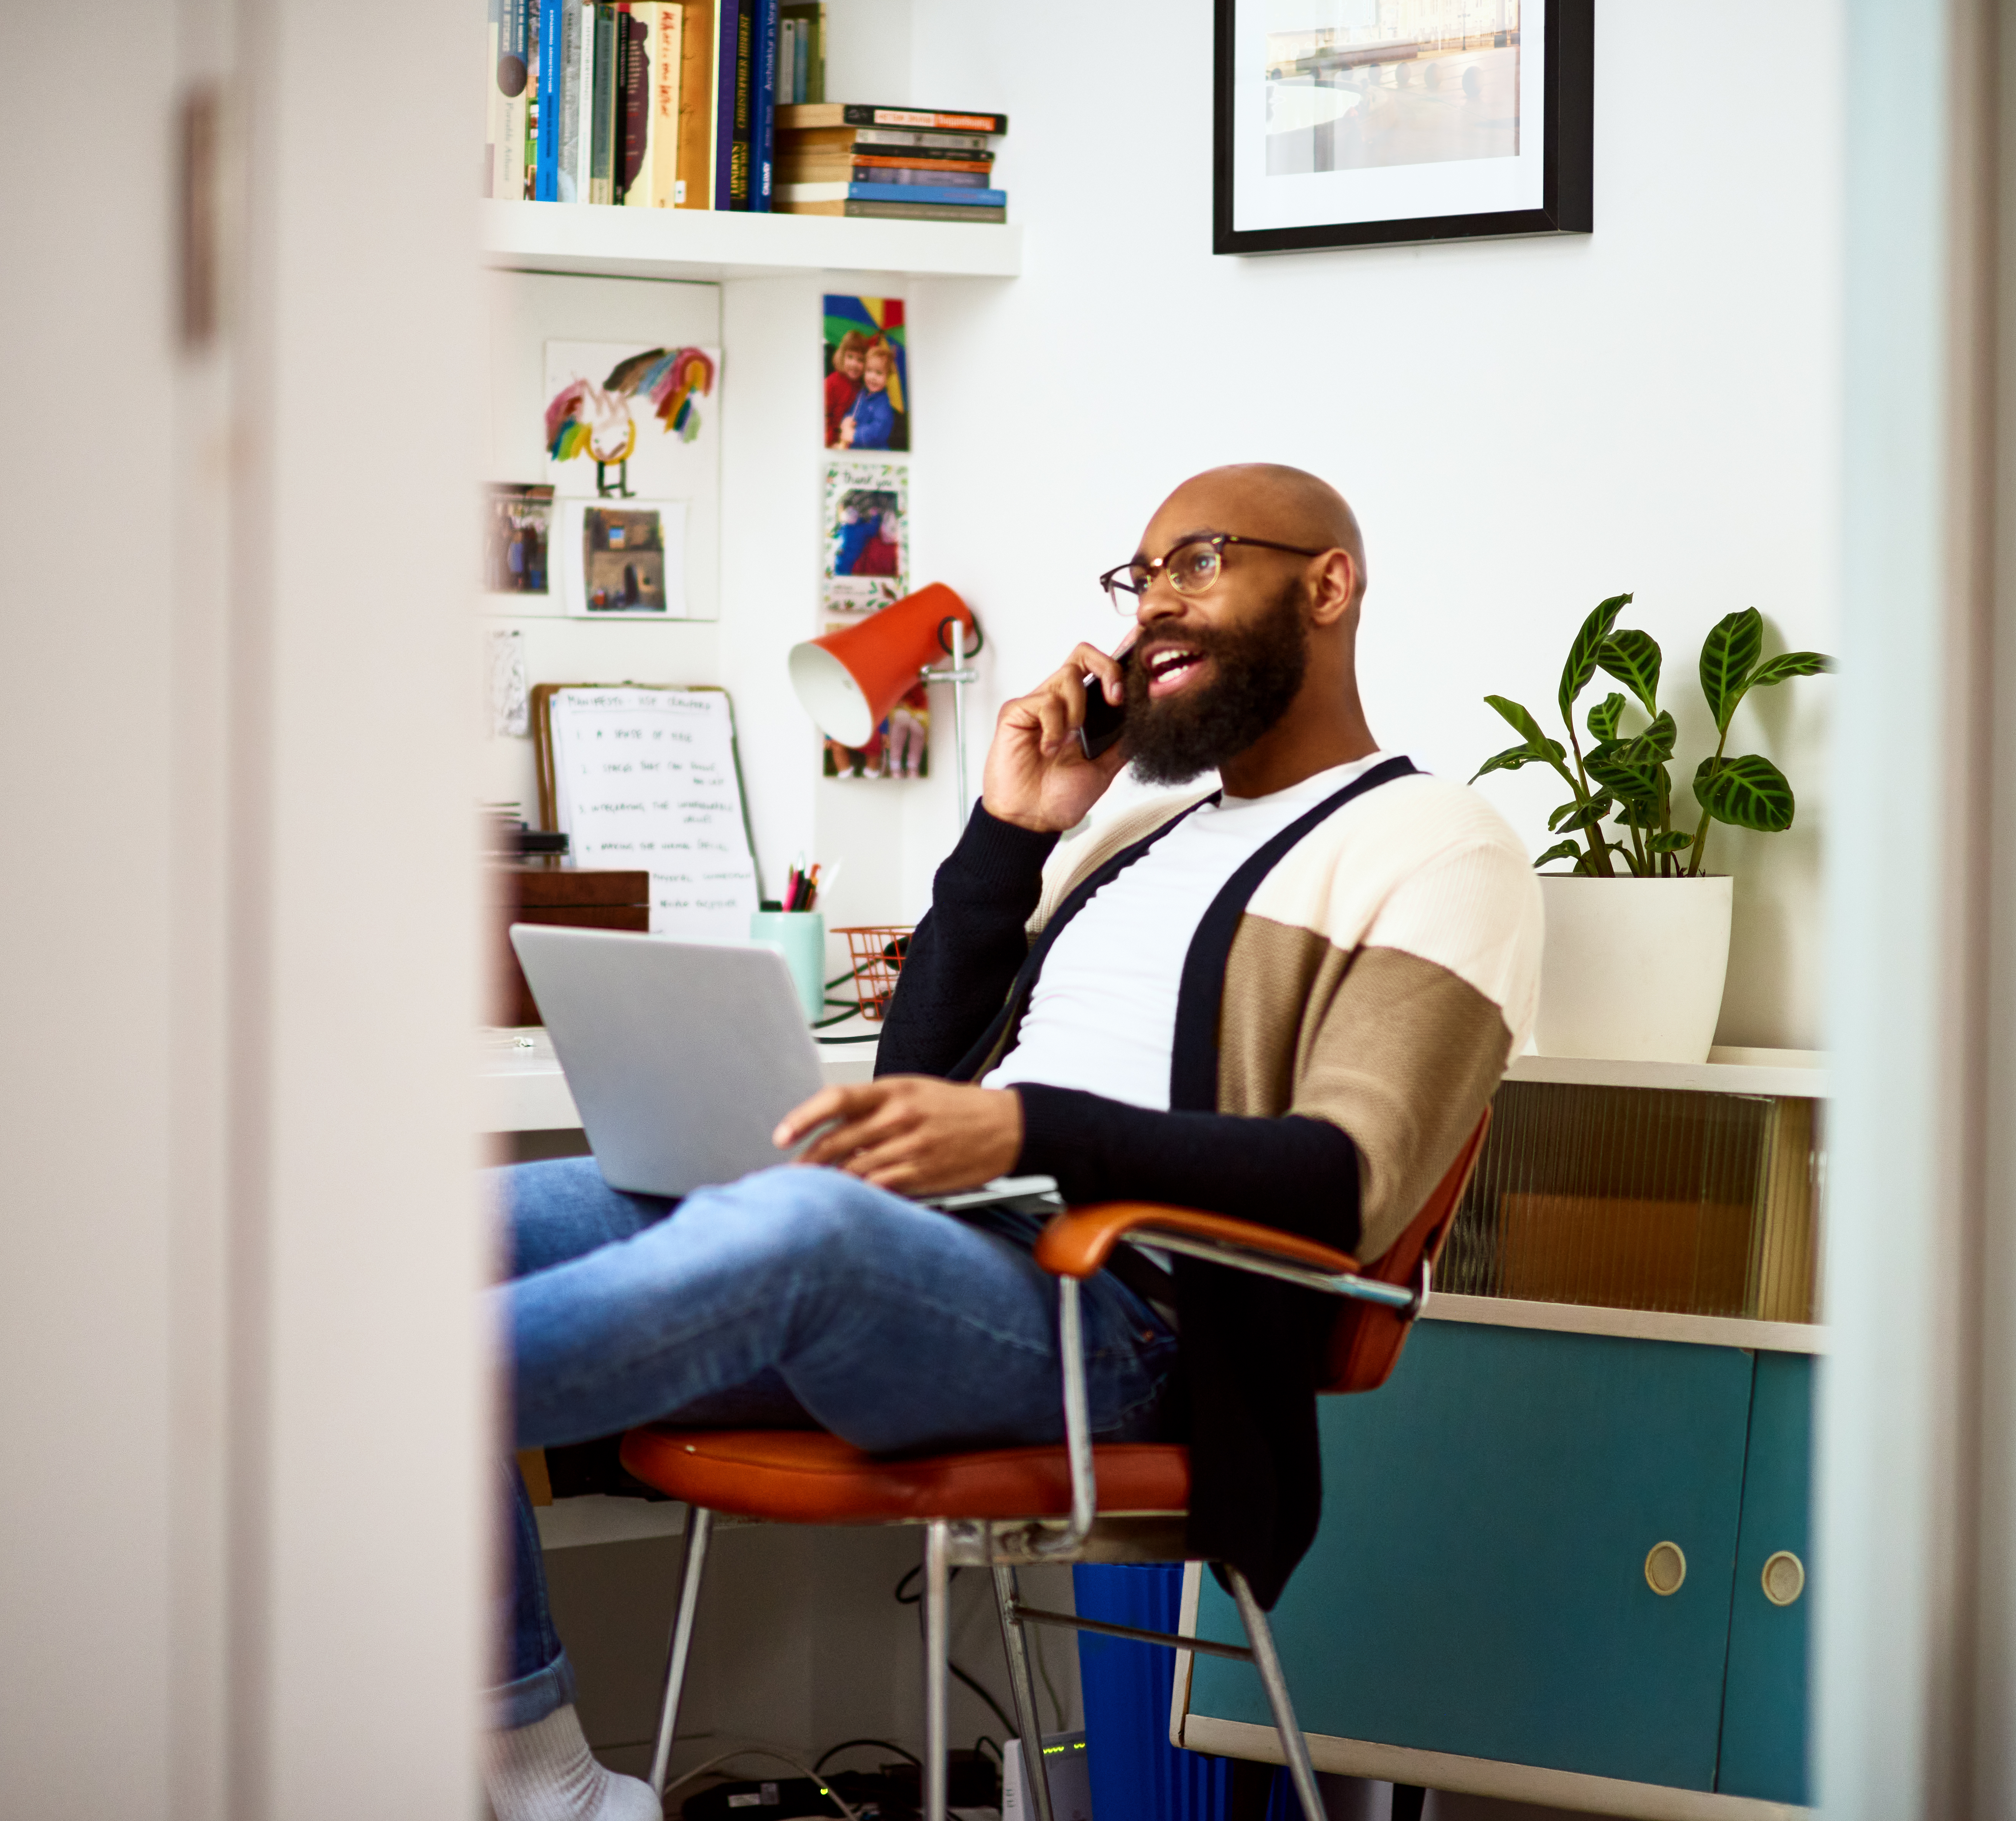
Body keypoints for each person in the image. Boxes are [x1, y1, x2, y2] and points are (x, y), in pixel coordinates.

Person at [479, 464, 1540, 1821]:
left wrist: (1022, 1130)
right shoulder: (1133, 836)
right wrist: (1006, 833)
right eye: (1140, 574)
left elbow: (1344, 1180)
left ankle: (333, 1422)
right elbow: (922, 1076)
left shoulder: (1434, 846)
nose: (1154, 602)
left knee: (801, 1228)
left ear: (1327, 584)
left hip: (1126, 1315)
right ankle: (545, 1782)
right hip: (926, 1256)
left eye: (1198, 561)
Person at [838, 339, 899, 450]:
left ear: (887, 377)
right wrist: (847, 420)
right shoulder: (862, 394)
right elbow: (853, 412)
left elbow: (879, 430)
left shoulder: (884, 404)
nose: (873, 377)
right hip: (856, 447)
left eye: (879, 373)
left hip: (874, 451)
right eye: (869, 371)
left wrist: (855, 436)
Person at [822, 329, 871, 447]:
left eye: (860, 360)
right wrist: (831, 443)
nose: (854, 364)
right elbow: (823, 417)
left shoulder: (863, 388)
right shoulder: (831, 384)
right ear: (842, 356)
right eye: (850, 357)